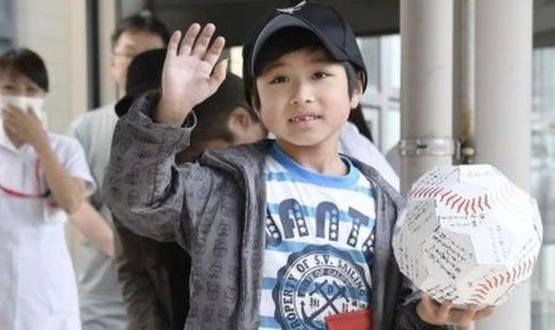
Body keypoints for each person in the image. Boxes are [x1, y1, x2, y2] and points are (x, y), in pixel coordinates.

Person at [104, 2, 494, 328]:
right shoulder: (222, 183)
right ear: (255, 102)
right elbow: (136, 200)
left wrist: (429, 316)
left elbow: (398, 318)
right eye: (278, 80)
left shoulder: (391, 208)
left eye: (320, 74)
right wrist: (170, 109)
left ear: (356, 88)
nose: (301, 94)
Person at [112, 49, 267, 330]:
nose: (185, 170)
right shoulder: (137, 182)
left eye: (195, 154)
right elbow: (135, 275)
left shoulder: (286, 174)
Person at [69, 11, 169, 330]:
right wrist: (126, 253)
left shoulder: (181, 126)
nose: (137, 63)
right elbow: (77, 205)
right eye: (128, 55)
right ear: (113, 63)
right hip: (101, 297)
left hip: (165, 293)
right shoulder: (84, 128)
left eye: (149, 56)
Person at [0, 48, 95, 329]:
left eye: (32, 89)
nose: (22, 96)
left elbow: (71, 203)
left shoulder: (65, 148)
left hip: (46, 295)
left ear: (43, 96)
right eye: (9, 87)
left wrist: (40, 143)